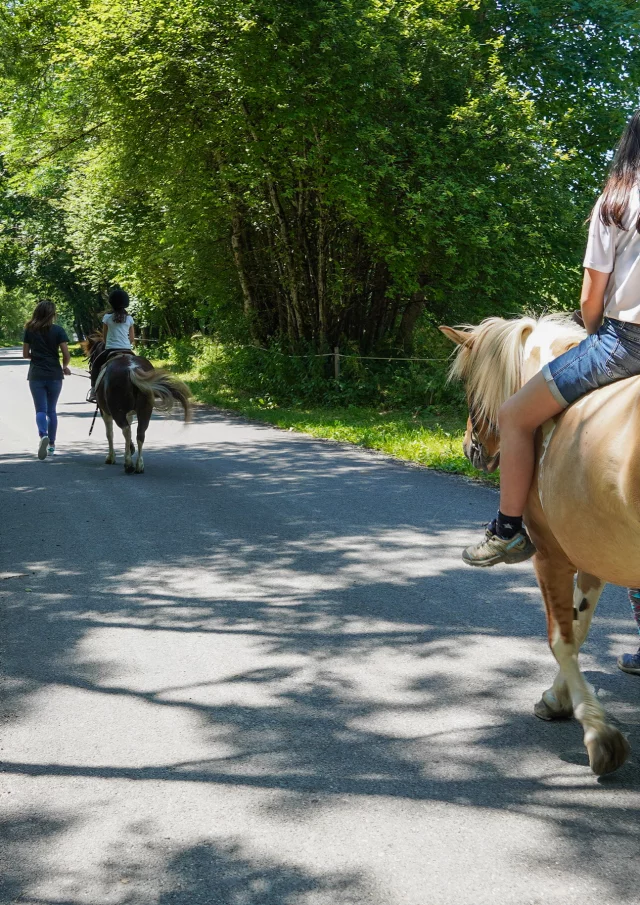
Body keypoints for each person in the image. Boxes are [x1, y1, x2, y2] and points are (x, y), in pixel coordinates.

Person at [461, 109, 640, 672]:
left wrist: (596, 333)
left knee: (515, 415)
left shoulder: (616, 203)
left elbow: (592, 298)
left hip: (626, 342)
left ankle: (509, 530)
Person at [22, 300, 71, 459]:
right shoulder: (58, 330)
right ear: (52, 314)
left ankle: (43, 434)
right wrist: (64, 366)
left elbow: (25, 354)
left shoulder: (30, 330)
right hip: (55, 375)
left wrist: (35, 357)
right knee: (51, 410)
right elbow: (66, 354)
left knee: (40, 410)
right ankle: (51, 445)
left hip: (36, 374)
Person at [87, 287, 135, 403]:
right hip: (127, 350)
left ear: (111, 303)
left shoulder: (107, 318)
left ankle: (93, 390)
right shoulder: (129, 318)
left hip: (110, 350)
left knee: (96, 366)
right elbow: (132, 339)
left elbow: (104, 337)